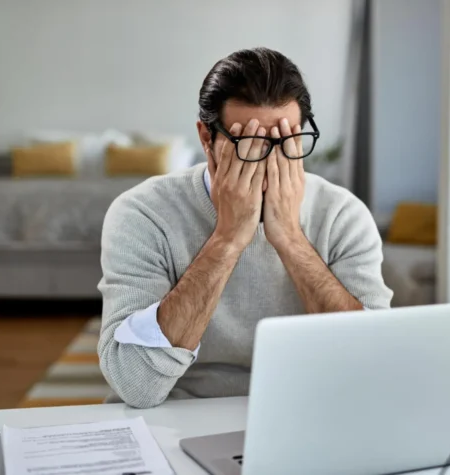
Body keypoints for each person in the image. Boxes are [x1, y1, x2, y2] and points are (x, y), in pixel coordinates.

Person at [97, 47, 392, 408]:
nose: (270, 161)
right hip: (175, 414)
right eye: (249, 144)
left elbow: (374, 367)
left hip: (306, 411)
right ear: (207, 139)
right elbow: (136, 385)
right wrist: (228, 238)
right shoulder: (142, 213)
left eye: (286, 141)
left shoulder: (342, 214)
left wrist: (290, 238)